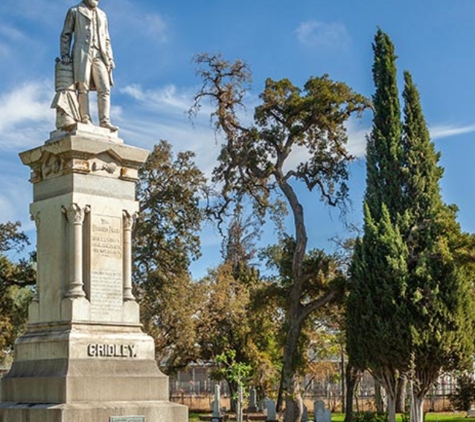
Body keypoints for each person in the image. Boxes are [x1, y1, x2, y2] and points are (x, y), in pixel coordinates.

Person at [60, 0, 118, 131]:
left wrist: (110, 57)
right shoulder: (74, 11)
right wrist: (65, 54)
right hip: (82, 52)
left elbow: (107, 38)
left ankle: (105, 121)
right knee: (82, 86)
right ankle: (85, 118)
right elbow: (66, 34)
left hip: (100, 54)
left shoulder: (102, 15)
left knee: (104, 87)